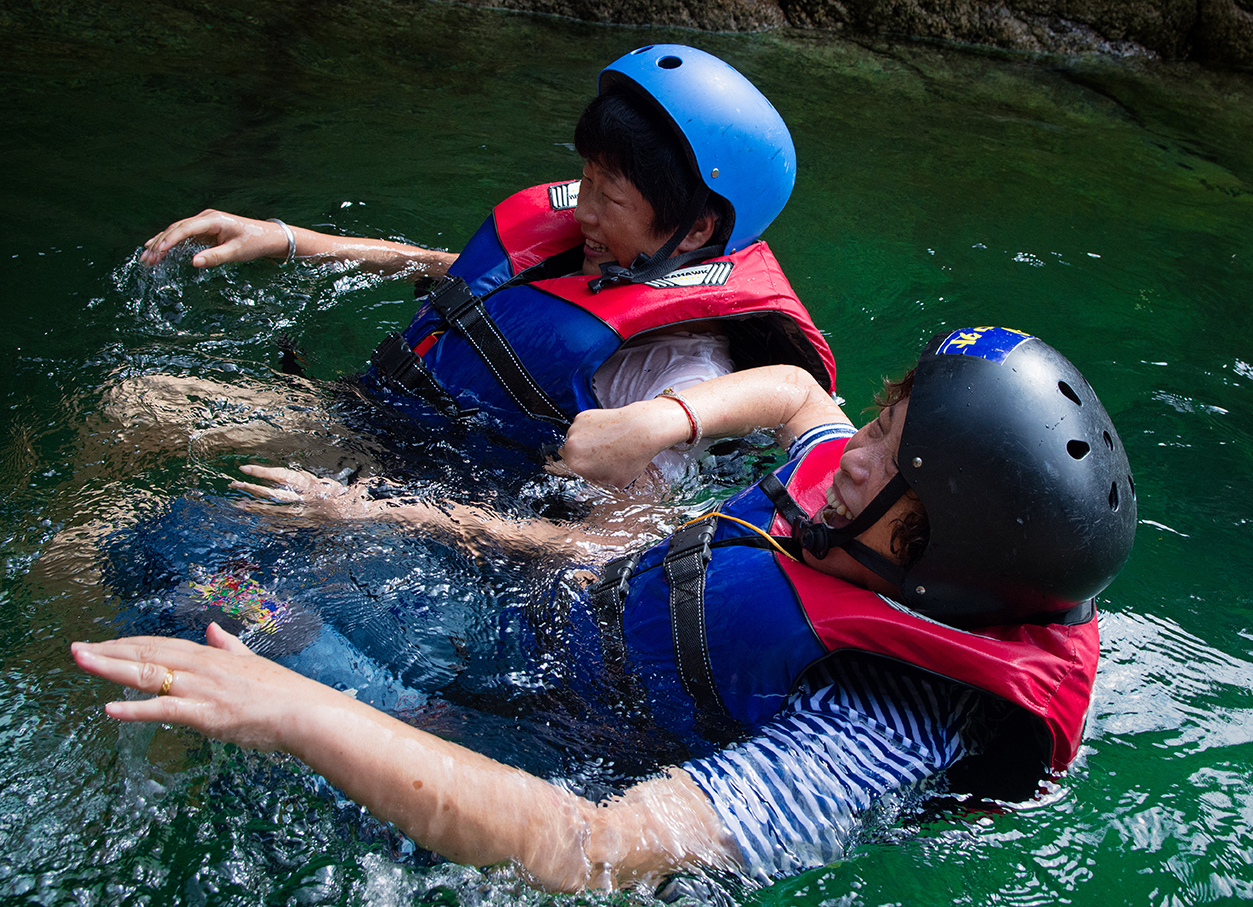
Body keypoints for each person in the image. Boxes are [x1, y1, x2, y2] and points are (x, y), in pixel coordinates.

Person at [72, 326, 1137, 893]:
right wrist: (661, 420)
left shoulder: (876, 723)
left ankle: (274, 683)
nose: (850, 449)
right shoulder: (856, 502)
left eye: (883, 454)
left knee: (211, 616)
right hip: (547, 630)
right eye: (882, 419)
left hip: (556, 763)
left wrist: (294, 710)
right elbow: (799, 397)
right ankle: (263, 653)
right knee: (180, 539)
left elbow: (593, 848)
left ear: (937, 555)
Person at [137, 44, 835, 478]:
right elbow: (461, 275)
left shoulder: (683, 380)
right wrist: (286, 238)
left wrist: (359, 513)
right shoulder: (600, 255)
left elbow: (604, 546)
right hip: (371, 422)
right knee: (136, 405)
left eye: (610, 196)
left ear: (695, 230)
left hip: (434, 509)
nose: (583, 212)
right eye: (585, 180)